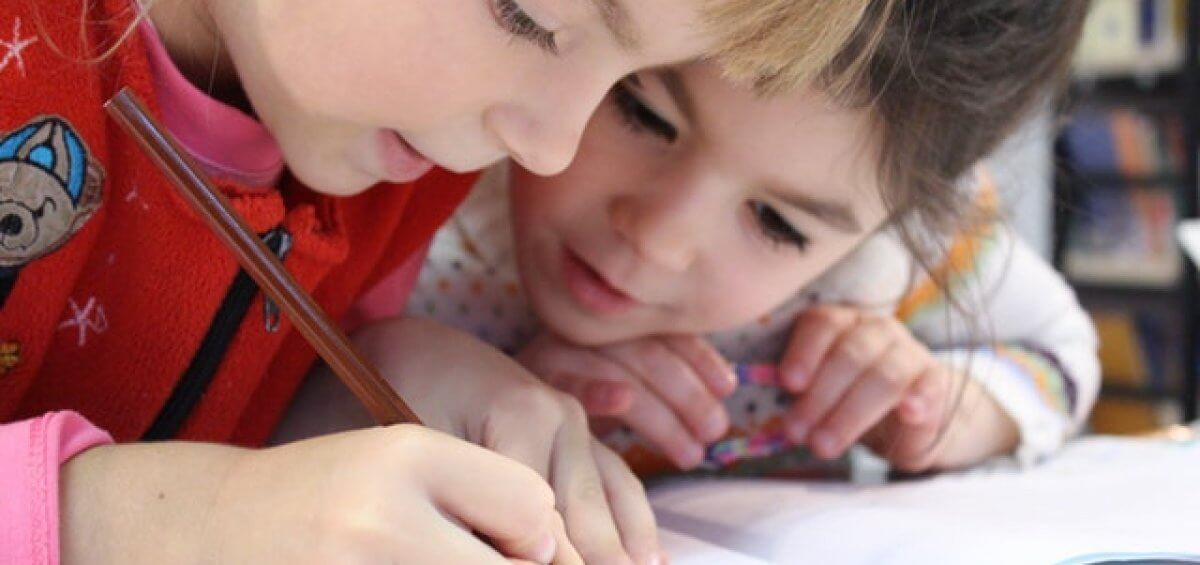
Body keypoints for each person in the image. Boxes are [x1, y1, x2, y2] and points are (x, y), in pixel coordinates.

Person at [0, 0, 884, 562]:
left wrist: (380, 384)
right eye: (530, 19)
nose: (551, 147)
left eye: (620, 80)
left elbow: (224, 418)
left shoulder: (396, 155)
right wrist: (143, 522)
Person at [287, 0, 1098, 479]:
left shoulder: (885, 263)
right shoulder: (431, 170)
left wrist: (951, 408)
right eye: (642, 113)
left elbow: (1062, 351)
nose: (659, 239)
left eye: (778, 224)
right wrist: (457, 402)